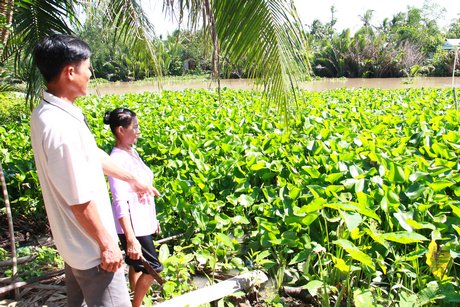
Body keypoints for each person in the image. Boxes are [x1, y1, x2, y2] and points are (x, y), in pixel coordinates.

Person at [30, 34, 159, 307]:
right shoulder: (60, 128)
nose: (90, 73)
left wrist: (133, 179)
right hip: (93, 254)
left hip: (74, 247)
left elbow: (92, 154)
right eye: (88, 67)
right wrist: (107, 245)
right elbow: (79, 200)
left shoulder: (49, 113)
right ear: (70, 71)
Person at [103, 108, 163, 307]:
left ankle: (134, 300)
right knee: (153, 267)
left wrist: (153, 219)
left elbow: (141, 190)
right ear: (120, 130)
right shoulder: (117, 160)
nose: (138, 131)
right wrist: (130, 239)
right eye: (134, 127)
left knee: (136, 265)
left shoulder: (131, 151)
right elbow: (119, 202)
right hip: (133, 226)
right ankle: (136, 305)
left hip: (143, 222)